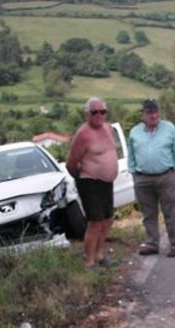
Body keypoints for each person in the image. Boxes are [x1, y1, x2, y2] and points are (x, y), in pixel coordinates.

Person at [128, 99, 175, 257]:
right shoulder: (135, 132)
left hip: (166, 176)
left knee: (170, 213)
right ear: (143, 115)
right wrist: (133, 172)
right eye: (149, 112)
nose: (153, 115)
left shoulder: (168, 128)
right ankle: (152, 243)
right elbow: (131, 153)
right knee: (148, 214)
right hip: (142, 178)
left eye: (155, 112)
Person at [66, 97, 119, 268]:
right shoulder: (83, 134)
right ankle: (89, 261)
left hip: (106, 182)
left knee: (107, 220)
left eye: (102, 111)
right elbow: (71, 163)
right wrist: (83, 179)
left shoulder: (108, 128)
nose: (99, 115)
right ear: (87, 114)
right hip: (90, 181)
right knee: (95, 222)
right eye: (94, 112)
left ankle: (100, 255)